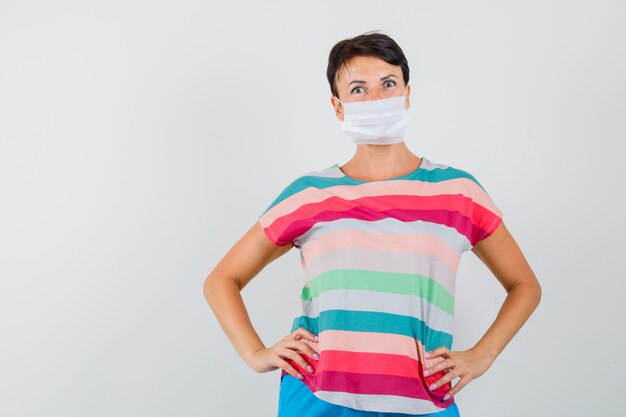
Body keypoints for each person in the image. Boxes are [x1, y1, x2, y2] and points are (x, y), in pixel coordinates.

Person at [203, 31, 542, 417]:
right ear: (338, 106)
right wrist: (255, 354)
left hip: (423, 398)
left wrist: (483, 356)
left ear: (407, 94)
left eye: (388, 84)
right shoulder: (310, 193)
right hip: (318, 398)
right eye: (359, 89)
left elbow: (524, 285)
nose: (377, 99)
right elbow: (222, 280)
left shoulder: (458, 192)